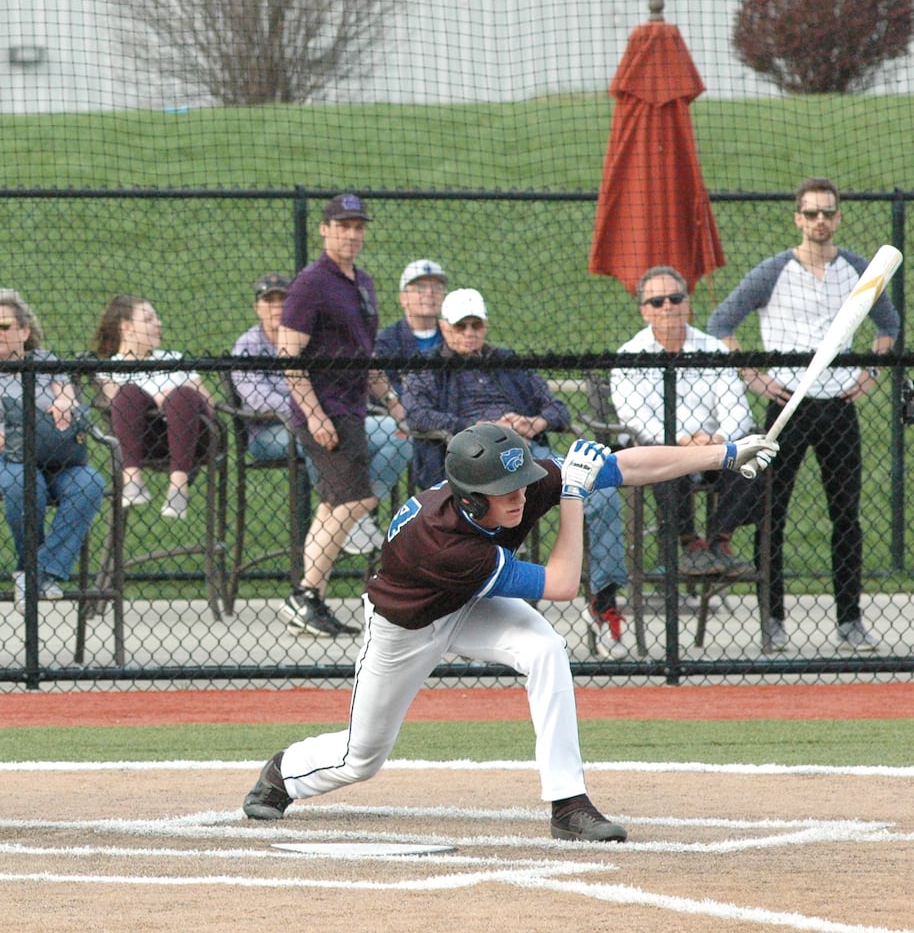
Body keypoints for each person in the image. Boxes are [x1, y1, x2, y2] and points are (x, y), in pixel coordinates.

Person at [240, 422, 779, 840]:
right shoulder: (445, 544)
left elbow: (626, 466)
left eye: (522, 483)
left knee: (545, 648)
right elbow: (565, 584)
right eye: (505, 491)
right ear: (471, 499)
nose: (520, 497)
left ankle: (569, 805)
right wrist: (573, 497)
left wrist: (724, 455)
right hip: (406, 628)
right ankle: (282, 774)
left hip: (469, 605)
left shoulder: (513, 486)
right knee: (363, 757)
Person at [706, 177, 900, 653]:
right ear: (797, 218)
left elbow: (889, 324)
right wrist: (755, 377)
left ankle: (850, 621)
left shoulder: (857, 267)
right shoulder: (774, 270)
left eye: (827, 213)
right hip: (787, 406)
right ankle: (772, 621)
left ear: (837, 216)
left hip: (837, 409)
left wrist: (870, 375)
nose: (819, 221)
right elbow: (721, 323)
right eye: (811, 213)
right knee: (773, 515)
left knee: (846, 517)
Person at [402, 287, 631, 656]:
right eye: (461, 326)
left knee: (599, 492)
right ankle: (477, 615)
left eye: (476, 325)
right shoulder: (427, 366)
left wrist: (532, 422)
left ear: (486, 325)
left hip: (525, 457)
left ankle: (603, 603)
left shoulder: (506, 361)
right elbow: (417, 415)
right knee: (485, 516)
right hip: (468, 469)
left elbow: (557, 408)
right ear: (444, 328)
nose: (469, 333)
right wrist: (483, 427)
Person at [273, 194, 409, 638]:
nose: (352, 234)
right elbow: (288, 355)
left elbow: (364, 356)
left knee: (335, 503)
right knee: (358, 500)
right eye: (343, 226)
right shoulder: (311, 283)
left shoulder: (362, 283)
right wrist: (314, 415)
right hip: (323, 411)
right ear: (324, 230)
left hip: (351, 408)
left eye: (358, 226)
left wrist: (392, 401)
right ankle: (305, 593)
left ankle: (307, 598)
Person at [0, 288, 105, 606]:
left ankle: (38, 572)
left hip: (53, 458)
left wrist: (63, 402)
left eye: (3, 326)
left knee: (90, 483)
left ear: (25, 331)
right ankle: (36, 572)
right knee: (25, 481)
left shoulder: (46, 362)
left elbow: (68, 397)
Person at [231, 271, 412, 554]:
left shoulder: (309, 338)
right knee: (315, 437)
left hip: (326, 420)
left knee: (399, 434)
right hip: (269, 433)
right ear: (257, 307)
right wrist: (307, 410)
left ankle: (354, 514)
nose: (276, 306)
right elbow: (256, 400)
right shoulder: (247, 345)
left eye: (283, 300)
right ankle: (351, 515)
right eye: (269, 300)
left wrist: (322, 412)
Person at [612, 266, 762, 579]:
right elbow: (634, 417)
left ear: (687, 303)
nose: (668, 305)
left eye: (675, 297)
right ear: (644, 312)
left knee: (759, 446)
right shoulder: (630, 355)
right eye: (657, 302)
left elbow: (737, 409)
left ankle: (719, 541)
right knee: (662, 457)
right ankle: (689, 545)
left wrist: (719, 439)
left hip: (715, 450)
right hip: (665, 449)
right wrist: (681, 441)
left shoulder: (714, 349)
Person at [92, 295, 216, 519]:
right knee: (127, 393)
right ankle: (132, 480)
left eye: (156, 318)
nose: (158, 323)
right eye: (149, 319)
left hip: (195, 438)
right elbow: (114, 405)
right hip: (145, 440)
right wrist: (158, 398)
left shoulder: (174, 358)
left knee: (183, 395)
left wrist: (171, 398)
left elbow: (208, 403)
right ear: (127, 328)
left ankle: (178, 487)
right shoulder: (109, 370)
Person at [373, 258, 448, 389]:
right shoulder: (386, 342)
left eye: (437, 287)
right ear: (403, 298)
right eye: (420, 287)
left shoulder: (454, 337)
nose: (430, 293)